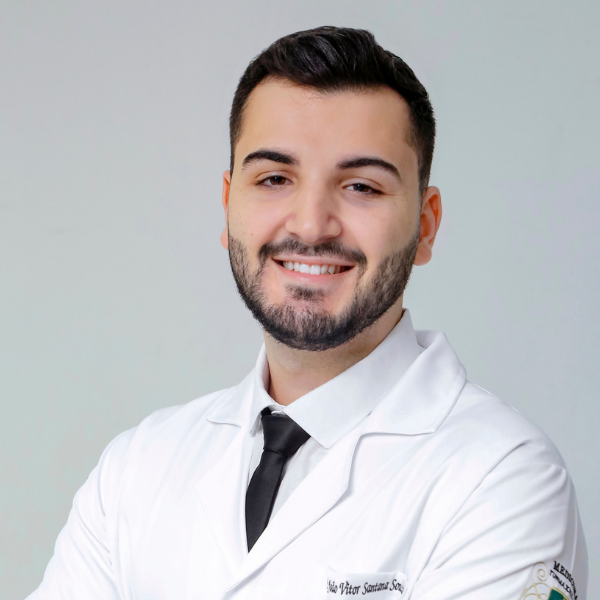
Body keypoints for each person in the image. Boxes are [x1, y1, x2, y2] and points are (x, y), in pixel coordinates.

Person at [28, 26, 587, 600]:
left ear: (426, 225)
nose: (311, 224)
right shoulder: (136, 468)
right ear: (228, 206)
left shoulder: (504, 480)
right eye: (274, 179)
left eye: (361, 186)